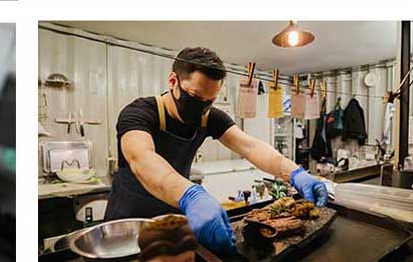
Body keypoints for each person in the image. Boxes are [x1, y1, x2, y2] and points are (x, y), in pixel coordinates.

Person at [106, 47, 328, 255]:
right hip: (129, 222)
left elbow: (250, 147)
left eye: (209, 101)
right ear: (173, 81)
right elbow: (142, 159)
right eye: (194, 97)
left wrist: (294, 172)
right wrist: (190, 195)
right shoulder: (139, 113)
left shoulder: (209, 118)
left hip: (173, 220)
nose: (201, 107)